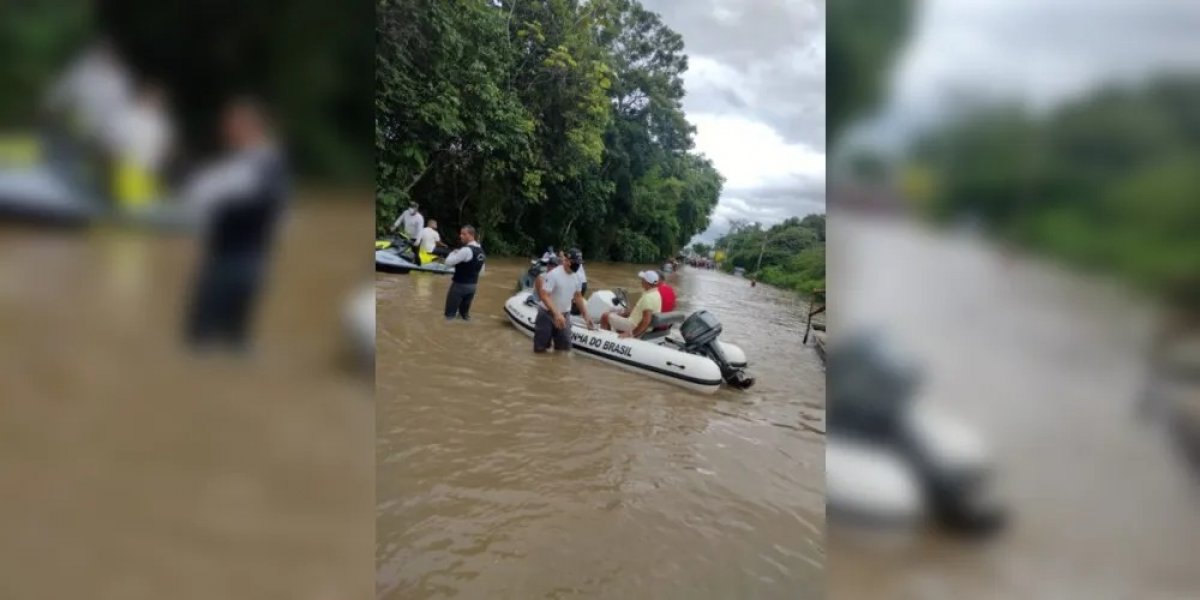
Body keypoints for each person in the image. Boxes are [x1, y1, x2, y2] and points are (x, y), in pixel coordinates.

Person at [182, 97, 288, 352]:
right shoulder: (235, 163)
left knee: (211, 336)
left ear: (252, 127)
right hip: (231, 254)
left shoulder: (264, 162)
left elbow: (266, 207)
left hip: (241, 256)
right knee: (213, 337)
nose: (227, 130)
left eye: (234, 125)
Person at [108, 83, 173, 210]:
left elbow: (166, 144)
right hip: (128, 168)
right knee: (130, 205)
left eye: (158, 99)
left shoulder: (161, 121)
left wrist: (164, 156)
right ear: (142, 96)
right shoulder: (127, 116)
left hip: (152, 170)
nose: (155, 102)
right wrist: (117, 156)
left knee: (151, 204)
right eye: (151, 97)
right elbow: (112, 140)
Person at [534, 248, 593, 353]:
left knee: (564, 350)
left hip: (564, 315)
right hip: (546, 314)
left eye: (579, 263)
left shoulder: (577, 277)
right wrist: (556, 314)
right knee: (541, 350)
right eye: (575, 263)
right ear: (566, 260)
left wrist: (586, 315)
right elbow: (544, 295)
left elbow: (578, 297)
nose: (577, 265)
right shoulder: (554, 274)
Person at [601, 270, 662, 338]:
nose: (641, 281)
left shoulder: (648, 298)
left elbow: (646, 321)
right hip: (640, 324)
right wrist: (623, 314)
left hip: (633, 325)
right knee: (620, 313)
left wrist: (631, 334)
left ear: (646, 282)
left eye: (643, 279)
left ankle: (606, 339)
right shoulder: (656, 293)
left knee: (605, 316)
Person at [443, 225, 485, 320]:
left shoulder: (466, 250)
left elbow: (447, 262)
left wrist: (453, 253)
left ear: (471, 235)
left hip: (459, 286)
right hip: (472, 287)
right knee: (464, 316)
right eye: (461, 234)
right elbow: (481, 272)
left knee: (449, 316)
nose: (460, 236)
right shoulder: (481, 251)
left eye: (463, 234)